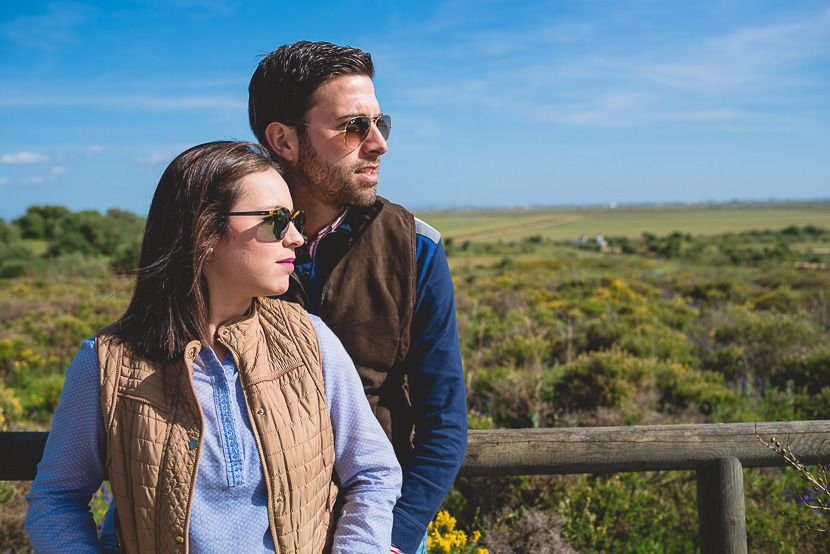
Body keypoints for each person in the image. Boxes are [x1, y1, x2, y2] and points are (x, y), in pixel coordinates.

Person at [25, 141, 402, 553]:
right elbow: (56, 500)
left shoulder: (311, 340)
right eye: (276, 220)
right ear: (203, 231)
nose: (295, 237)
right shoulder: (106, 365)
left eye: (295, 219)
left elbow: (374, 474)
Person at [248, 41, 468, 554]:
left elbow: (444, 421)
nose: (378, 144)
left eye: (380, 123)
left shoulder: (415, 248)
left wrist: (397, 533)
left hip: (375, 529)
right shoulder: (226, 241)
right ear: (284, 139)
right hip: (250, 533)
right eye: (352, 127)